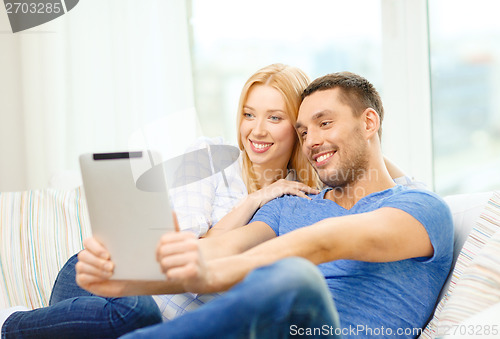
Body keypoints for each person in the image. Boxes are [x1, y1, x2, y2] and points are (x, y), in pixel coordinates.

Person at [0, 66, 421, 338]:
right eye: (248, 114)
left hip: (162, 314)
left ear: (298, 130)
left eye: (276, 118)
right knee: (135, 314)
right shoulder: (208, 158)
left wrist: (365, 135)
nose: (256, 129)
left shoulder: (303, 190)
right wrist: (255, 197)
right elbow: (191, 250)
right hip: (111, 277)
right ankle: (9, 324)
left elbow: (400, 187)